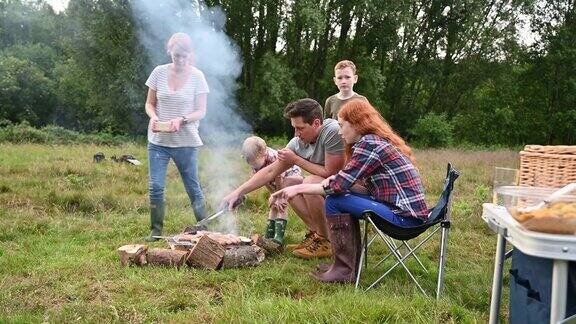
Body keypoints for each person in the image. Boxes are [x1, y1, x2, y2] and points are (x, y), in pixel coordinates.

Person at [270, 99, 428, 283]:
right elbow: (357, 185)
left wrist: (295, 189)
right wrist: (338, 180)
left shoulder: (368, 144)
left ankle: (344, 270)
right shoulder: (374, 141)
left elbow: (336, 187)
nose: (339, 131)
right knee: (341, 196)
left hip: (405, 219)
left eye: (342, 125)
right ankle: (345, 265)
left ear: (357, 125)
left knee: (335, 200)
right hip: (407, 213)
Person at [222, 98, 345, 259]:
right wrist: (237, 193)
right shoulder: (297, 142)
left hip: (346, 188)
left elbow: (332, 174)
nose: (296, 134)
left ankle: (326, 240)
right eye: (294, 128)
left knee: (308, 182)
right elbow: (269, 171)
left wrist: (296, 160)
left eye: (300, 128)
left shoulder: (332, 131)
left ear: (316, 123)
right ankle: (316, 234)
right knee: (290, 184)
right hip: (326, 188)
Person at [143, 32, 209, 241]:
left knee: (192, 186)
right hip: (158, 142)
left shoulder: (197, 76)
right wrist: (153, 117)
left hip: (186, 142)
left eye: (185, 55)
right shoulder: (158, 72)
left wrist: (181, 119)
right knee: (156, 187)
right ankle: (155, 231)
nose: (180, 59)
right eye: (177, 55)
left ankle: (204, 228)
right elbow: (149, 103)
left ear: (190, 54)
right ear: (169, 51)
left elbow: (201, 111)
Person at [241, 136, 303, 245]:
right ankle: (270, 232)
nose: (254, 166)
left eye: (255, 163)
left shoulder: (273, 157)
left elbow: (280, 178)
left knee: (281, 204)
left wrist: (278, 197)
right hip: (275, 179)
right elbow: (263, 180)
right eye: (252, 164)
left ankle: (279, 236)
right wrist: (272, 195)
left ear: (262, 155)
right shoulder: (253, 159)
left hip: (290, 176)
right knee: (273, 205)